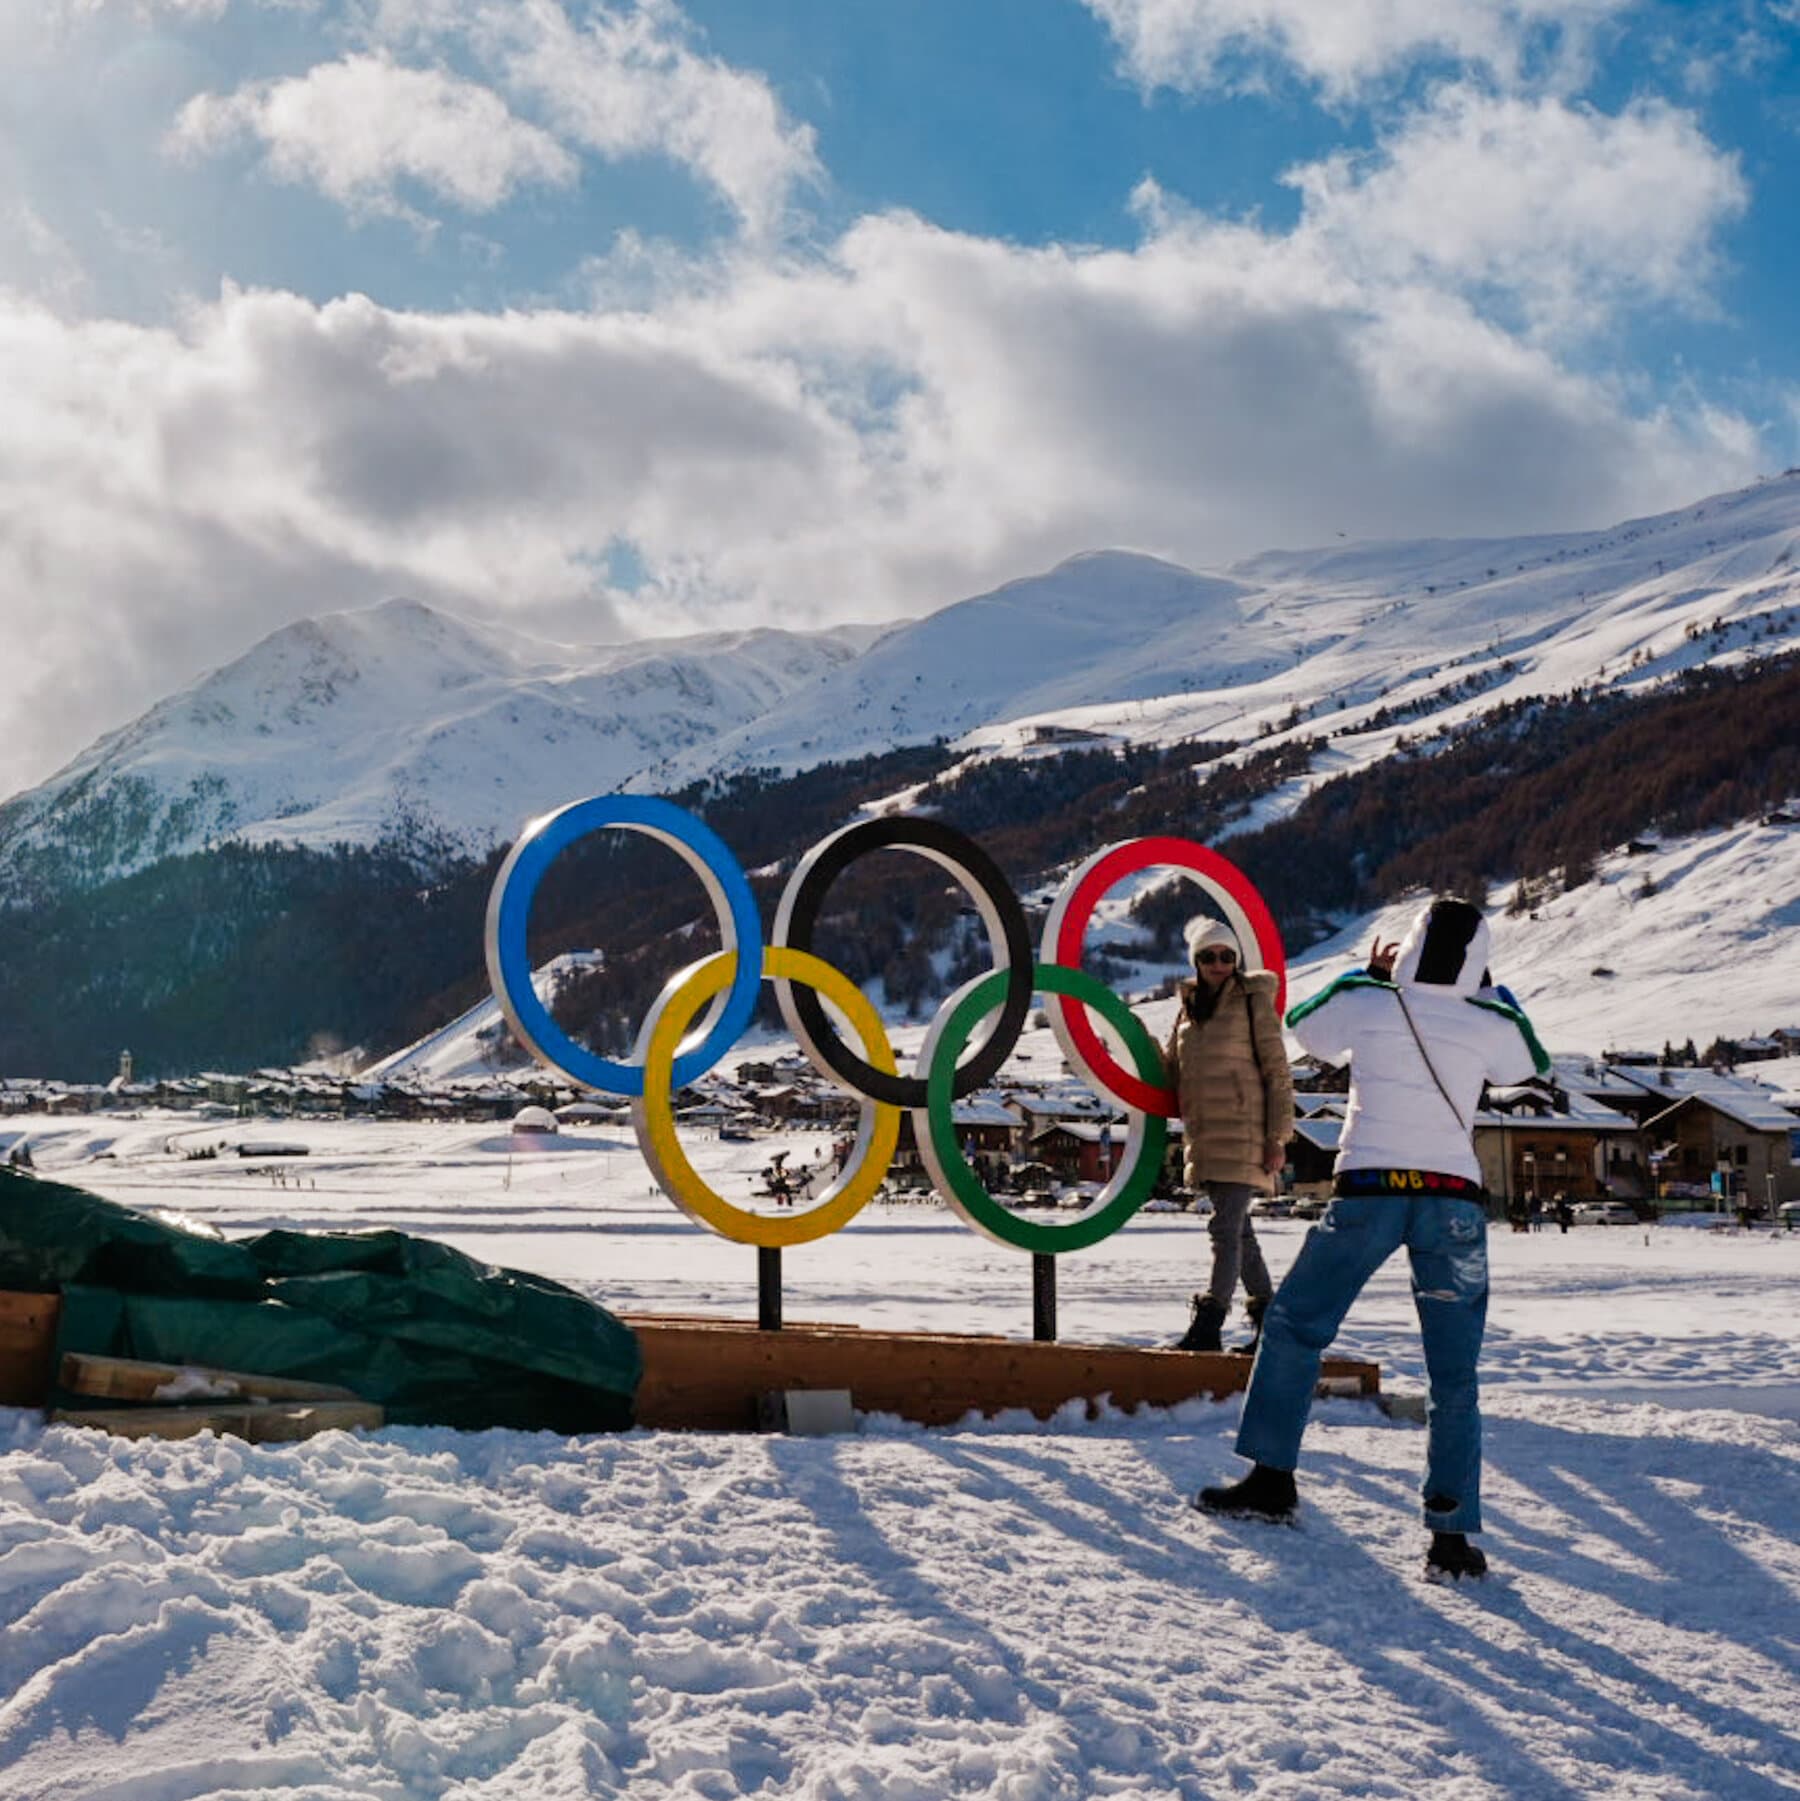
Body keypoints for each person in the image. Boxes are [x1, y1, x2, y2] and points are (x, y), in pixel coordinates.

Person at [1195, 896, 1548, 1581]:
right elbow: (1526, 1062)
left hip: (1370, 1191)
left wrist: (1372, 974)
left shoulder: (1373, 999)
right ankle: (1449, 1535)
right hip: (1452, 1204)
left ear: (1410, 946)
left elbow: (1304, 1027)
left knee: (1296, 1325)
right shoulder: (1488, 1017)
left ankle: (1271, 1478)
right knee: (1453, 1372)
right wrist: (1488, 988)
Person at [1162, 916, 1294, 1354]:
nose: (1219, 963)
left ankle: (1210, 1323)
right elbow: (1170, 1071)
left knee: (1224, 1228)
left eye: (1227, 956)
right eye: (1209, 956)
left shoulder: (1252, 998)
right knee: (1240, 1234)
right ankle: (1270, 1326)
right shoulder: (1188, 1009)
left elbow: (1277, 1070)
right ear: (1195, 961)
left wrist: (1277, 1136)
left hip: (1245, 1132)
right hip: (1206, 1135)